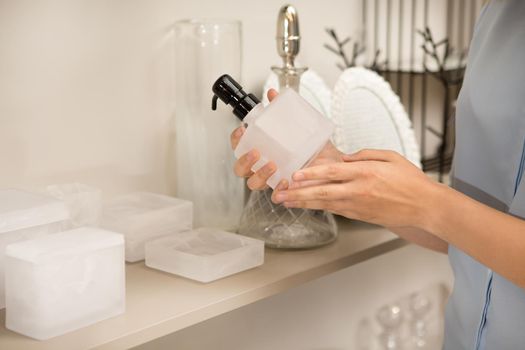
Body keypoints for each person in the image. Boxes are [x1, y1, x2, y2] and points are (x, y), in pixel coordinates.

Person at [229, 1, 525, 349]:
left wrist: (430, 203)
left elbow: (445, 214)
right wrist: (335, 173)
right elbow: (472, 233)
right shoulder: (498, 19)